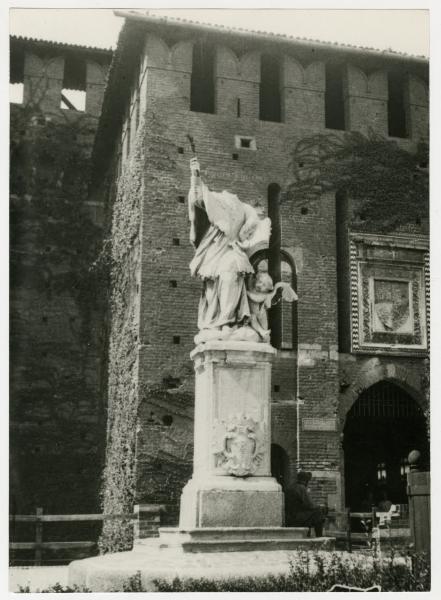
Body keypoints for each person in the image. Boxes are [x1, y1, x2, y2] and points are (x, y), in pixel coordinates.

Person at [188, 157, 271, 344]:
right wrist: (195, 176)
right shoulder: (220, 200)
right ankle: (215, 323)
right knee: (212, 287)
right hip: (214, 250)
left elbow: (254, 231)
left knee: (231, 274)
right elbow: (199, 199)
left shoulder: (246, 212)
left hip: (232, 251)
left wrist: (246, 239)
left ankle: (228, 321)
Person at [285, 471, 326, 537]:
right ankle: (319, 536)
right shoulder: (301, 488)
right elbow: (310, 505)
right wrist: (320, 507)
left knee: (311, 514)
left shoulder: (291, 487)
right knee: (318, 512)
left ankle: (308, 535)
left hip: (290, 517)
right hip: (297, 517)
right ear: (305, 481)